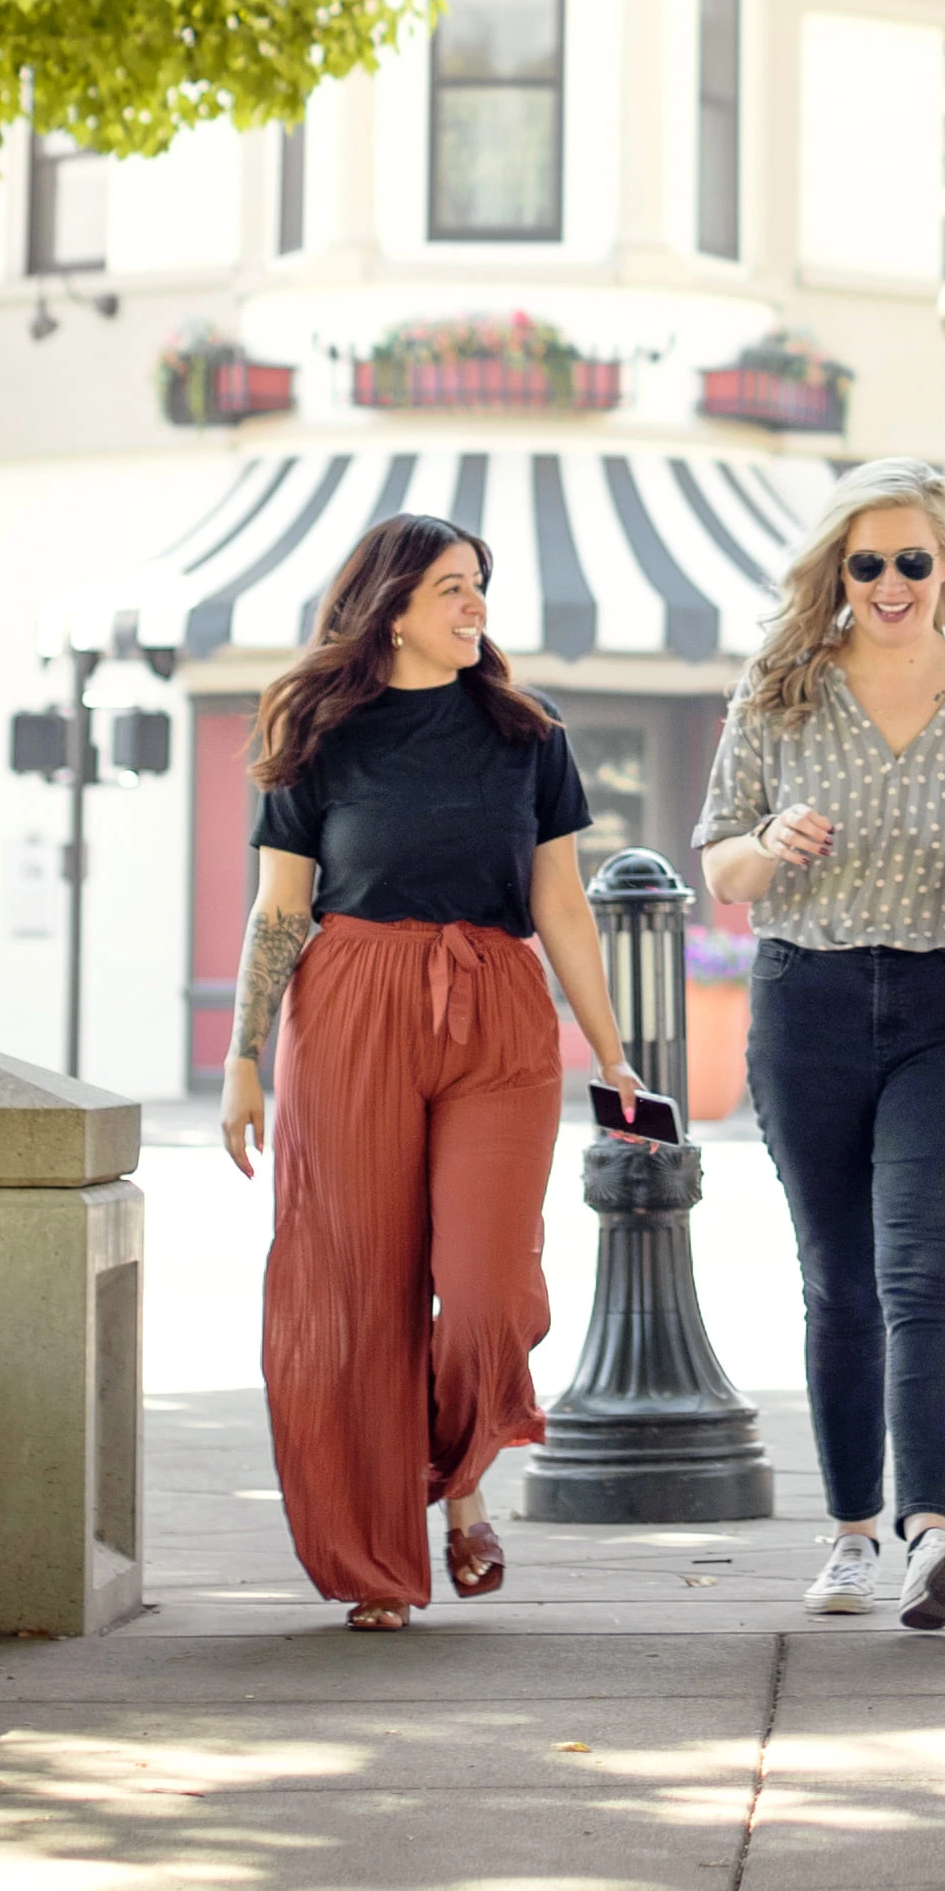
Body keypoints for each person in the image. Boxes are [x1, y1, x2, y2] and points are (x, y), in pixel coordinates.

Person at [221, 512, 651, 1631]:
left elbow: (560, 899)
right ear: (391, 605)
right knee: (358, 1296)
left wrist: (612, 1053)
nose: (475, 607)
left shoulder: (525, 731)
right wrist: (243, 1057)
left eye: (479, 586)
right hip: (352, 1001)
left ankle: (454, 1475)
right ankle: (387, 1558)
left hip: (495, 1007)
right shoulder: (316, 727)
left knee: (488, 1295)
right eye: (454, 587)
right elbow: (279, 911)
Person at [699, 457, 945, 1628]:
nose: (889, 582)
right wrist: (769, 837)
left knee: (925, 1271)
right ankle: (854, 1530)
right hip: (807, 1000)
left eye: (912, 560)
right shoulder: (779, 689)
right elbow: (719, 864)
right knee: (839, 1281)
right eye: (866, 562)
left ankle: (928, 1533)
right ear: (838, 572)